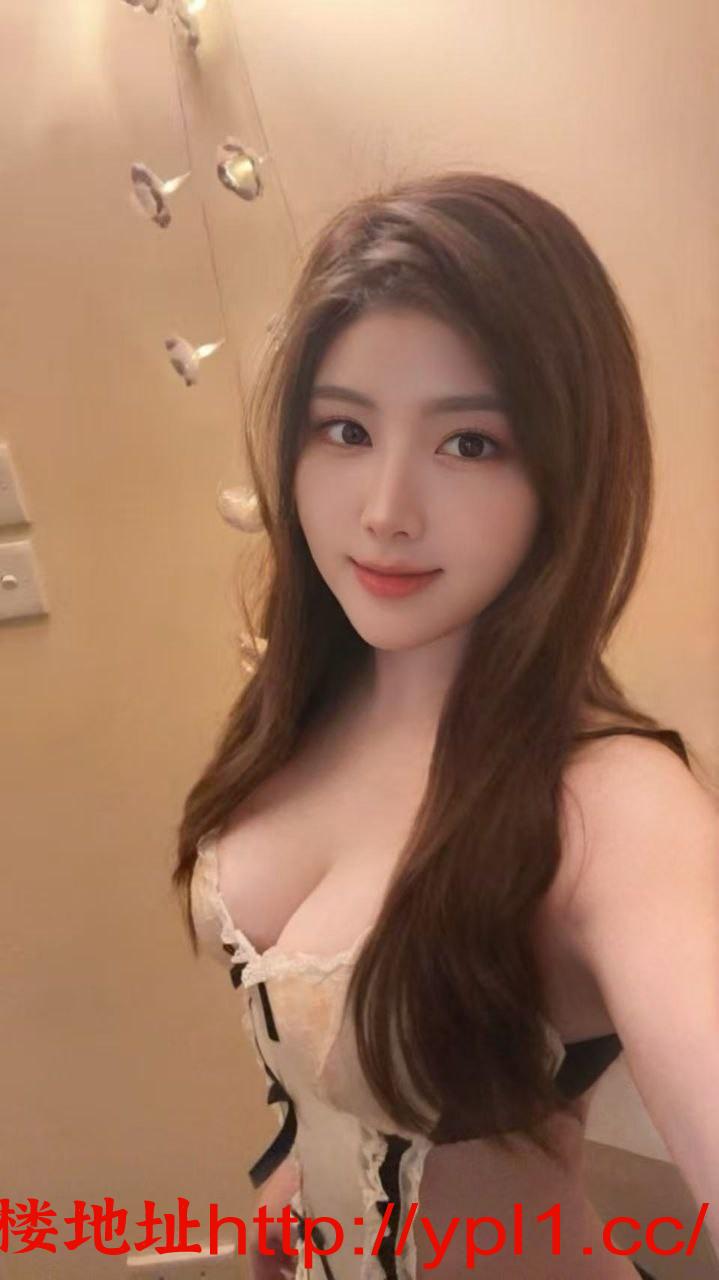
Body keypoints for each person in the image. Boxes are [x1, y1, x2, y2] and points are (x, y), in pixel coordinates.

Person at [173, 172, 719, 1279]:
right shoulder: (306, 698)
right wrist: (299, 1177)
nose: (384, 510)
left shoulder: (611, 802)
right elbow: (319, 1062)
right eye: (344, 429)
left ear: (565, 472)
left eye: (468, 444)